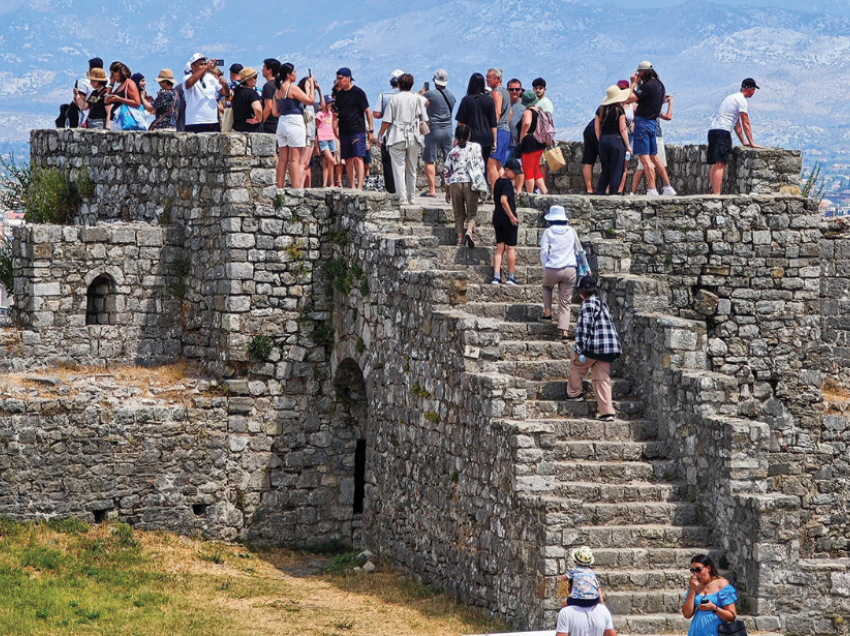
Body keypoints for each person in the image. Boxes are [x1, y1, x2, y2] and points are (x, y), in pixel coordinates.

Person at [566, 276, 622, 422]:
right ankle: (607, 412)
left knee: (576, 365)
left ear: (582, 291)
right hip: (609, 348)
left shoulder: (587, 305)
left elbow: (584, 328)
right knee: (602, 378)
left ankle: (575, 393)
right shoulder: (602, 304)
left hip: (594, 347)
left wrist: (579, 349)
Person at [624, 61, 675, 196]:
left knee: (645, 158)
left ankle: (652, 189)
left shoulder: (647, 86)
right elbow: (644, 99)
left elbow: (629, 99)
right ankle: (667, 187)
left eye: (639, 72)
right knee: (654, 157)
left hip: (643, 123)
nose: (637, 74)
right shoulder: (660, 86)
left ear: (643, 72)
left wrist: (633, 83)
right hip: (653, 124)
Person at [377, 73, 428, 205]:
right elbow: (425, 113)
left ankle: (402, 198)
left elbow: (387, 120)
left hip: (397, 136)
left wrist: (380, 133)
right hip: (413, 136)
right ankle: (412, 197)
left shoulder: (395, 99)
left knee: (398, 168)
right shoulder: (416, 98)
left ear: (398, 85)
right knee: (412, 168)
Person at [707, 79, 761, 195]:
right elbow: (745, 122)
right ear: (751, 89)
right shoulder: (742, 100)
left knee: (715, 164)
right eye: (753, 90)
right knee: (720, 164)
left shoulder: (731, 98)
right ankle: (717, 195)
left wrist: (743, 141)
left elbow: (737, 124)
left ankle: (713, 193)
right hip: (723, 132)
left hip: (713, 131)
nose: (753, 92)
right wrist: (751, 142)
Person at [271, 63, 315, 188]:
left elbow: (275, 112)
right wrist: (311, 84)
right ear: (289, 74)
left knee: (283, 158)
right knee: (295, 159)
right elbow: (310, 100)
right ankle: (296, 190)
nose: (296, 74)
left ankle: (280, 187)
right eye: (294, 72)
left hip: (282, 122)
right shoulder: (293, 88)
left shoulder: (277, 90)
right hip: (294, 122)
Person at [538, 205, 578, 339]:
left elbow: (544, 251)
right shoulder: (571, 231)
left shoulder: (548, 232)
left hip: (553, 268)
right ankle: (564, 332)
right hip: (570, 269)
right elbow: (577, 249)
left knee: (546, 287)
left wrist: (545, 267)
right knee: (565, 301)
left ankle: (548, 314)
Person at [443, 123, 484, 248]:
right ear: (469, 135)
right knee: (472, 213)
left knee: (458, 214)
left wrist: (447, 191)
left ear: (456, 136)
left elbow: (446, 172)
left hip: (455, 183)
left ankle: (459, 239)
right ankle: (469, 231)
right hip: (470, 182)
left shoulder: (452, 152)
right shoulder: (475, 147)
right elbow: (480, 166)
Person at [334, 67, 373, 190]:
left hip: (357, 130)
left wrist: (370, 130)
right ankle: (352, 187)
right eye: (337, 79)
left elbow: (368, 111)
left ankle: (360, 187)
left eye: (340, 79)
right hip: (344, 131)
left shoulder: (358, 93)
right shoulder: (339, 95)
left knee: (358, 157)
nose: (338, 81)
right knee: (348, 159)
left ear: (348, 78)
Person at [421, 69, 457, 198]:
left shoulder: (429, 94)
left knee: (430, 160)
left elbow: (419, 101)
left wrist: (422, 93)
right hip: (448, 130)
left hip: (433, 130)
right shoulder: (452, 97)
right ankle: (450, 189)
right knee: (449, 160)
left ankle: (432, 190)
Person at [682, 554, 738, 636]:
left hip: (717, 632)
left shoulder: (721, 584)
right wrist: (692, 590)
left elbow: (732, 617)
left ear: (708, 568)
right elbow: (687, 614)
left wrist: (714, 608)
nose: (696, 574)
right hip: (696, 631)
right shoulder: (695, 586)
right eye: (693, 571)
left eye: (698, 570)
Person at [632, 94, 673, 195]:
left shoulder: (641, 106)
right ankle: (663, 187)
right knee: (657, 163)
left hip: (644, 135)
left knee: (642, 166)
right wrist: (670, 103)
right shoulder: (653, 107)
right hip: (656, 135)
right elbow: (668, 116)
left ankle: (635, 192)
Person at [594, 85, 632, 195]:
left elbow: (596, 128)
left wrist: (600, 140)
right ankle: (613, 195)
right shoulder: (619, 110)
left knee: (605, 170)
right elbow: (623, 128)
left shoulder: (600, 109)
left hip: (603, 141)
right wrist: (628, 145)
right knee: (616, 169)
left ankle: (600, 193)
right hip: (616, 141)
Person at [455, 73, 497, 166]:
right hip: (487, 139)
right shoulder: (489, 100)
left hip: (471, 139)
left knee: (470, 166)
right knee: (483, 168)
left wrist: (458, 139)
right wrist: (494, 141)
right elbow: (493, 123)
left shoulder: (466, 100)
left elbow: (461, 122)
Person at [491, 158, 522, 286]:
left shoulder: (497, 182)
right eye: (514, 173)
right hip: (507, 219)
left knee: (500, 248)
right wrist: (511, 216)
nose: (515, 175)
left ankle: (496, 277)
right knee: (510, 248)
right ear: (507, 170)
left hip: (497, 217)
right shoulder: (507, 184)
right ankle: (510, 277)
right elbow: (504, 200)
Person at [373, 69, 403, 194]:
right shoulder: (411, 96)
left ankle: (391, 189)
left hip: (388, 133)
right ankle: (403, 189)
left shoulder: (383, 95)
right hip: (405, 134)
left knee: (388, 163)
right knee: (403, 163)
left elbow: (376, 113)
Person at [183, 54, 229, 132]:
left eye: (205, 64)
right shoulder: (187, 78)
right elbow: (189, 83)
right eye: (201, 64)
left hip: (212, 122)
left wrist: (225, 85)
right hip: (194, 122)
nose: (204, 66)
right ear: (193, 67)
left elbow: (225, 93)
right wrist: (207, 67)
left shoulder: (211, 78)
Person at [517, 90, 548, 194]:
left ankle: (530, 196)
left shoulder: (528, 112)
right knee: (536, 170)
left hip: (530, 143)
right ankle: (544, 193)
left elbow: (527, 122)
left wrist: (522, 136)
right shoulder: (540, 111)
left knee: (528, 171)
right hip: (540, 143)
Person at [486, 68, 511, 189]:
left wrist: (492, 133)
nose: (487, 79)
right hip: (505, 130)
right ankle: (505, 192)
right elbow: (509, 113)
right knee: (498, 165)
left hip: (498, 131)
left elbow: (496, 113)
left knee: (491, 164)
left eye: (489, 77)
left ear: (497, 79)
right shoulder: (506, 92)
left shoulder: (496, 93)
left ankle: (496, 194)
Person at [298, 75, 323, 188]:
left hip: (310, 136)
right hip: (304, 137)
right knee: (303, 163)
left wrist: (319, 90)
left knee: (308, 164)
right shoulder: (302, 102)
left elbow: (322, 106)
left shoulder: (310, 104)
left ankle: (307, 188)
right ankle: (300, 187)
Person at [231, 67, 262, 133]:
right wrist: (259, 119)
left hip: (237, 129)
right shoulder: (251, 93)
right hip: (251, 130)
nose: (256, 80)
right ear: (248, 80)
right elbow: (258, 109)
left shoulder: (237, 92)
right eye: (255, 77)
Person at [315, 95, 337, 188]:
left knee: (326, 162)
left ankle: (325, 184)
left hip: (331, 139)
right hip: (323, 139)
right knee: (331, 161)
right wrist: (316, 146)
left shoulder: (331, 114)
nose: (330, 104)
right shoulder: (319, 115)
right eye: (329, 102)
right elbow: (316, 130)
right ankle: (331, 182)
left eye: (331, 102)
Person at [261, 58, 281, 134]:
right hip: (279, 123)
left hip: (270, 125)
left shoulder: (268, 86)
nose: (262, 70)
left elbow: (268, 106)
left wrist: (260, 122)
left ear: (270, 70)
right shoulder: (279, 85)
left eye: (264, 67)